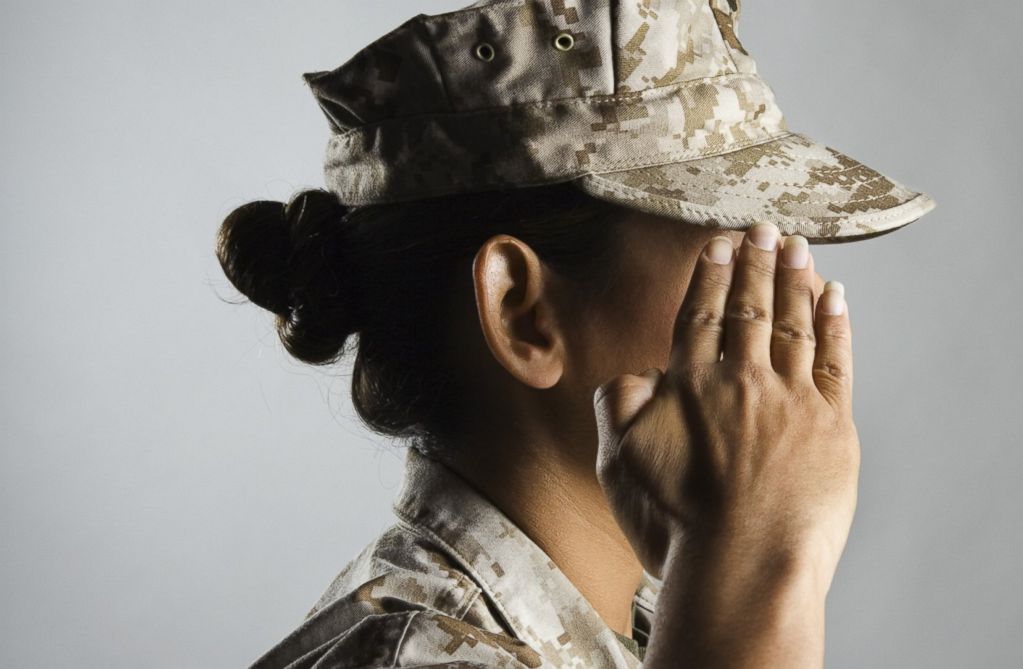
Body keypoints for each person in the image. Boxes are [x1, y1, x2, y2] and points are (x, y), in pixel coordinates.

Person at [219, 1, 934, 667]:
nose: (799, 299)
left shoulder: (654, 622)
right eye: (738, 249)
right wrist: (759, 555)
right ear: (524, 313)